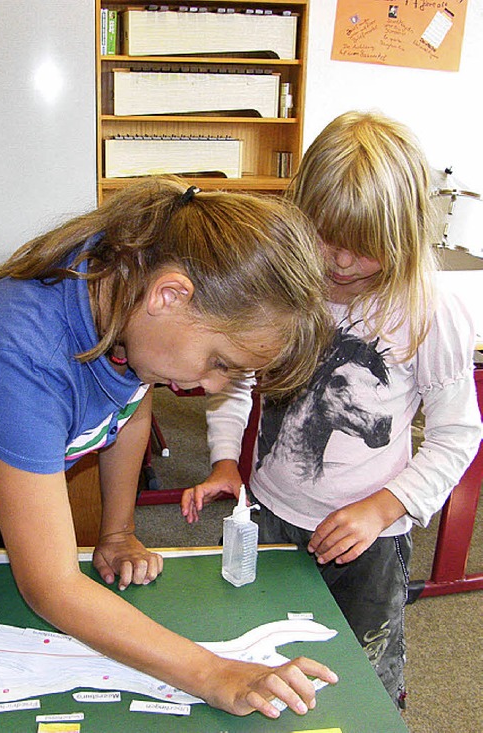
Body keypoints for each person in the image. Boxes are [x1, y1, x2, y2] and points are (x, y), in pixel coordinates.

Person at [0, 177, 338, 719]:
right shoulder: (17, 351)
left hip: (4, 486)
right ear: (170, 296)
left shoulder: (134, 288)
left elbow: (132, 400)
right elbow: (52, 586)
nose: (215, 386)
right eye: (220, 361)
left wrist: (118, 531)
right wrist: (213, 671)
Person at [181, 112, 482, 709]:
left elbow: (456, 435)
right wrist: (222, 462)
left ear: (402, 235)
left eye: (364, 249)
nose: (341, 264)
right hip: (269, 515)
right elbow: (235, 381)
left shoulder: (429, 310)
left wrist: (380, 508)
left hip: (369, 541)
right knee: (258, 657)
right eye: (325, 239)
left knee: (363, 681)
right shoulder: (283, 287)